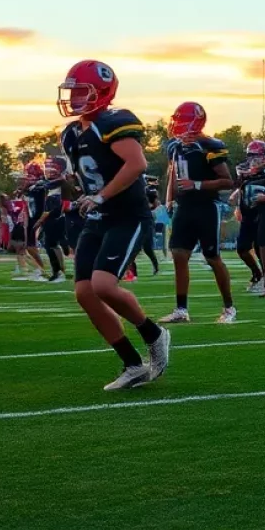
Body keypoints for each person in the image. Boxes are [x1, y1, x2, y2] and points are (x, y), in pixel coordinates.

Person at [57, 59, 170, 391]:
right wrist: (83, 195)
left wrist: (102, 196)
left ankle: (154, 333)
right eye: (72, 90)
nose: (74, 97)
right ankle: (133, 364)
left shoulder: (113, 121)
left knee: (104, 286)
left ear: (102, 93)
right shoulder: (70, 134)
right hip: (98, 217)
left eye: (81, 90)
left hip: (127, 216)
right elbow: (88, 176)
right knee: (84, 292)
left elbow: (137, 164)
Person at [158, 103, 236, 324]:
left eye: (183, 120)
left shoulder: (209, 146)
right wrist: (169, 199)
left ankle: (229, 307)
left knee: (212, 258)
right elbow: (173, 172)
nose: (177, 125)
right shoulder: (175, 146)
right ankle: (181, 309)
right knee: (179, 256)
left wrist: (198, 184)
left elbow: (228, 181)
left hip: (205, 207)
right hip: (184, 206)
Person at [232, 140, 265, 296]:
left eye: (257, 156)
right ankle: (257, 274)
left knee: (262, 244)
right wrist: (237, 204)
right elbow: (240, 190)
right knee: (242, 248)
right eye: (251, 156)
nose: (253, 159)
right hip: (250, 212)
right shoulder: (246, 173)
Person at [37, 156, 74, 282]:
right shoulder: (56, 183)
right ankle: (61, 271)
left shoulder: (59, 183)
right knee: (54, 244)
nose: (48, 170)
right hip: (58, 216)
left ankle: (58, 272)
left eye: (51, 168)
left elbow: (50, 208)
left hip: (56, 217)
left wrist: (38, 222)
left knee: (50, 245)